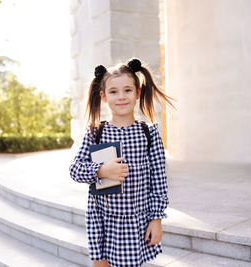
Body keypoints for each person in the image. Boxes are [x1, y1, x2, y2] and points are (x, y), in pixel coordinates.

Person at [69, 58, 175, 267]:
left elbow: (159, 182)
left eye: (127, 90)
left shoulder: (149, 134)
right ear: (104, 96)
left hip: (136, 220)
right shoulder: (95, 132)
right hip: (102, 219)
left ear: (137, 93)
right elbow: (75, 169)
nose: (121, 97)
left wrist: (156, 219)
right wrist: (101, 170)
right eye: (113, 91)